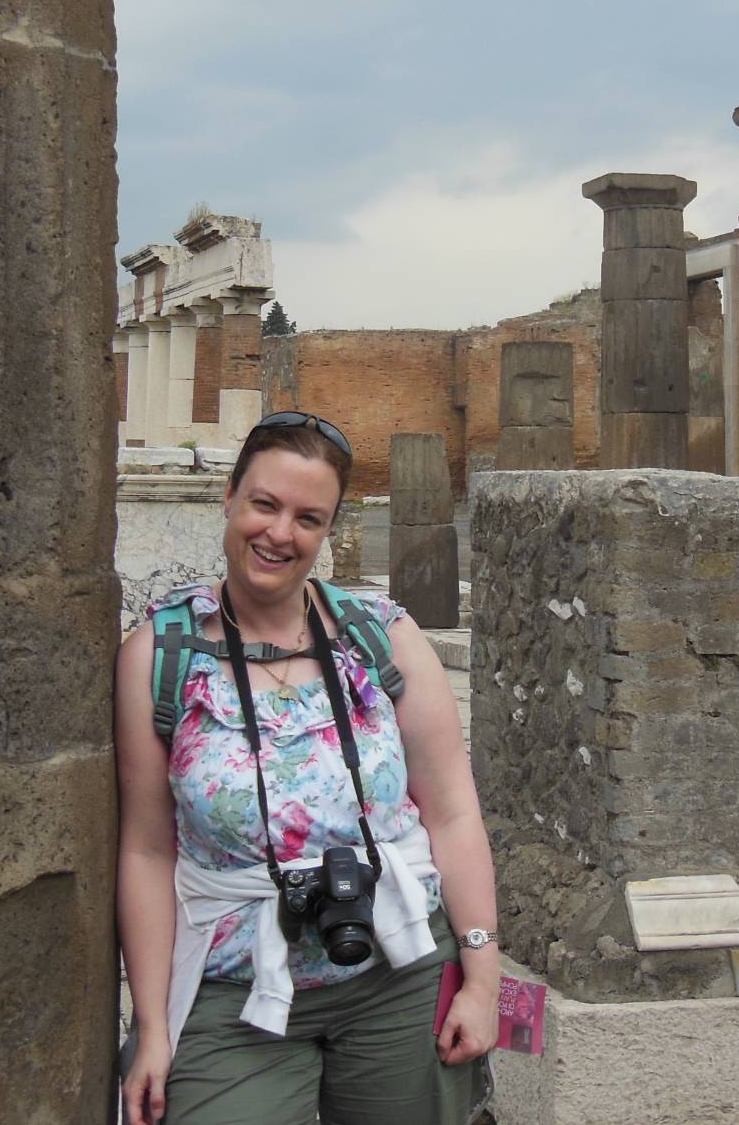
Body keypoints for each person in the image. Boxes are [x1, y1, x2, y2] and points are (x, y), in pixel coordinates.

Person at [117, 411, 499, 1125]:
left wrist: (481, 976)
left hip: (399, 969)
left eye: (307, 517)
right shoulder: (159, 656)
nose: (279, 533)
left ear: (326, 532)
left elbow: (451, 812)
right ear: (230, 497)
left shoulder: (382, 637)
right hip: (233, 991)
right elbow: (146, 848)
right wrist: (153, 1028)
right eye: (264, 504)